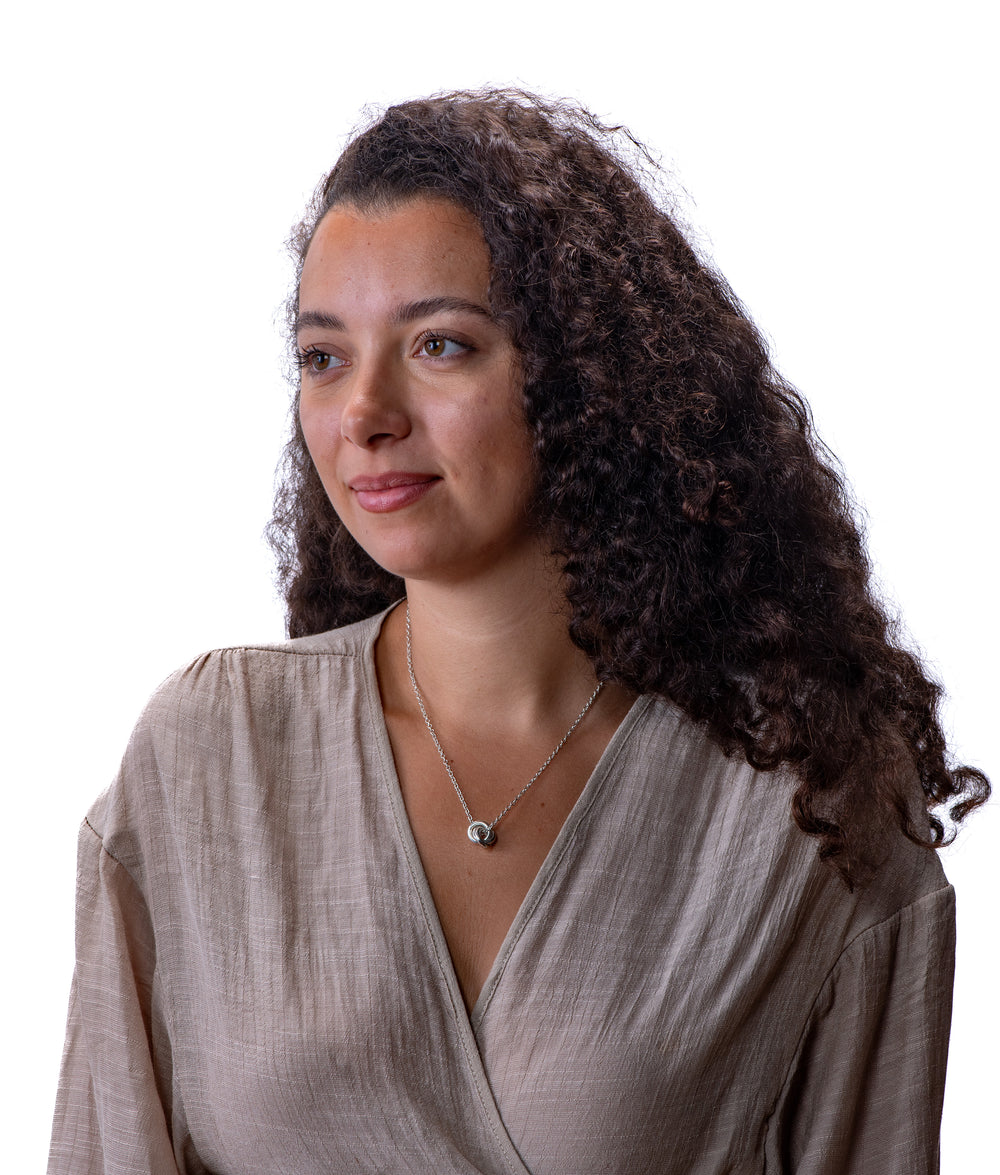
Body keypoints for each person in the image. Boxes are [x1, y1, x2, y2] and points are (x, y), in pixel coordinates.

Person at [48, 90, 989, 1175]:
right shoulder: (208, 755)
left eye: (439, 344)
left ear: (586, 376)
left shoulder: (802, 801)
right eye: (322, 357)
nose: (364, 413)